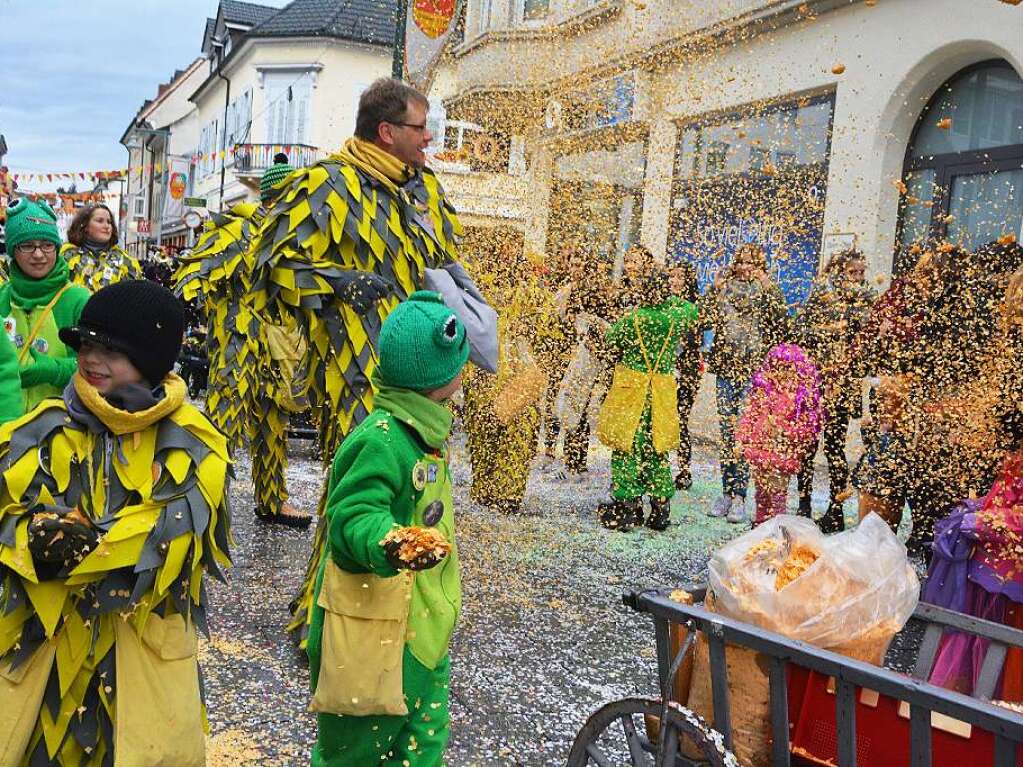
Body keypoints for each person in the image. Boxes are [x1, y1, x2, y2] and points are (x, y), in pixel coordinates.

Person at [245, 77, 468, 643]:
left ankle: (399, 612)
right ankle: (330, 621)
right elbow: (269, 266)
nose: (430, 140)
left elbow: (446, 260)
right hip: (354, 366)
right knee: (360, 484)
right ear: (388, 131)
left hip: (420, 367)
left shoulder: (423, 190)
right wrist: (338, 280)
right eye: (422, 129)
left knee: (416, 484)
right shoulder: (327, 185)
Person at [0, 280, 231, 765]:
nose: (91, 359)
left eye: (110, 349)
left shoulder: (194, 443)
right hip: (49, 656)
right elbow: (8, 516)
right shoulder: (41, 430)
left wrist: (93, 546)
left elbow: (178, 532)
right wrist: (31, 537)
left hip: (140, 652)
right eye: (85, 344)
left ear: (149, 360)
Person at [307, 291, 467, 766]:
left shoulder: (424, 431)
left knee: (422, 746)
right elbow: (352, 516)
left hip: (424, 634)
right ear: (443, 377)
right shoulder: (382, 438)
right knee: (353, 754)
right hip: (373, 640)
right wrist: (391, 541)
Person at [177, 152, 314, 528]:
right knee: (225, 423)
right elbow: (195, 273)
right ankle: (200, 501)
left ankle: (271, 500)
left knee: (273, 425)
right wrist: (192, 297)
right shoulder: (237, 229)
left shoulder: (295, 239)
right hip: (238, 344)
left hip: (277, 347)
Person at [597, 257, 697, 532]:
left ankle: (627, 508)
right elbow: (691, 309)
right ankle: (660, 509)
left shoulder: (633, 320)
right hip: (660, 395)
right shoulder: (675, 317)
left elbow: (610, 340)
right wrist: (671, 300)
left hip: (632, 393)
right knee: (657, 450)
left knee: (626, 448)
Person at [697, 244, 790, 523]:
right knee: (727, 433)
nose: (746, 268)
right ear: (735, 264)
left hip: (753, 371)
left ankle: (740, 496)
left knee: (746, 433)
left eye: (752, 263)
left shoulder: (765, 291)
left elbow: (782, 322)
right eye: (742, 262)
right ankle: (726, 492)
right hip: (726, 369)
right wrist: (714, 288)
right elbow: (702, 320)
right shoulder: (724, 290)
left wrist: (769, 286)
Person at [462, 244, 557, 513]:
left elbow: (549, 334)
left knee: (514, 430)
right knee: (486, 430)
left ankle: (503, 493)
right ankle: (493, 491)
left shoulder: (530, 293)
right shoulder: (479, 290)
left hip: (511, 371)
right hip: (488, 370)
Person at [924, 447, 1023, 701]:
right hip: (983, 581)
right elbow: (1007, 497)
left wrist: (981, 523)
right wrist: (976, 508)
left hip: (1009, 594)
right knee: (968, 651)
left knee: (999, 673)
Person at [795, 248, 876, 532]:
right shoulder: (822, 294)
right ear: (839, 271)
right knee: (806, 444)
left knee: (834, 447)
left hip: (844, 384)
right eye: (853, 272)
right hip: (817, 380)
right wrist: (827, 332)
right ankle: (803, 503)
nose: (858, 278)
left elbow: (869, 343)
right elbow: (802, 330)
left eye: (861, 273)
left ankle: (836, 506)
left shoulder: (867, 300)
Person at [0, 197, 90, 413]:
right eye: (27, 245)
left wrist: (53, 370)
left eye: (47, 245)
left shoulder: (79, 300)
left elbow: (104, 366)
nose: (39, 254)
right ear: (13, 250)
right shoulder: (3, 298)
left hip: (64, 431)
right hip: (6, 430)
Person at [736, 344, 823, 527]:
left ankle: (776, 530)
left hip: (781, 455)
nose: (781, 372)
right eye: (777, 367)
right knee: (761, 494)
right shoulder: (765, 391)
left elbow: (807, 429)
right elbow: (750, 415)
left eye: (786, 367)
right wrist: (741, 437)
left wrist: (785, 431)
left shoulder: (801, 397)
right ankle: (760, 527)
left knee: (777, 496)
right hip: (758, 450)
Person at [61, 203, 143, 291]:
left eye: (109, 222)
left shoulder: (126, 261)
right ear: (85, 226)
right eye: (100, 221)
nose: (107, 226)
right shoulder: (66, 257)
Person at [670, 259, 701, 490]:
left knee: (681, 419)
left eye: (680, 277)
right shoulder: (661, 305)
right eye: (672, 276)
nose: (675, 281)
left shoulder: (694, 308)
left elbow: (695, 342)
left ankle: (684, 469)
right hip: (662, 370)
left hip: (687, 370)